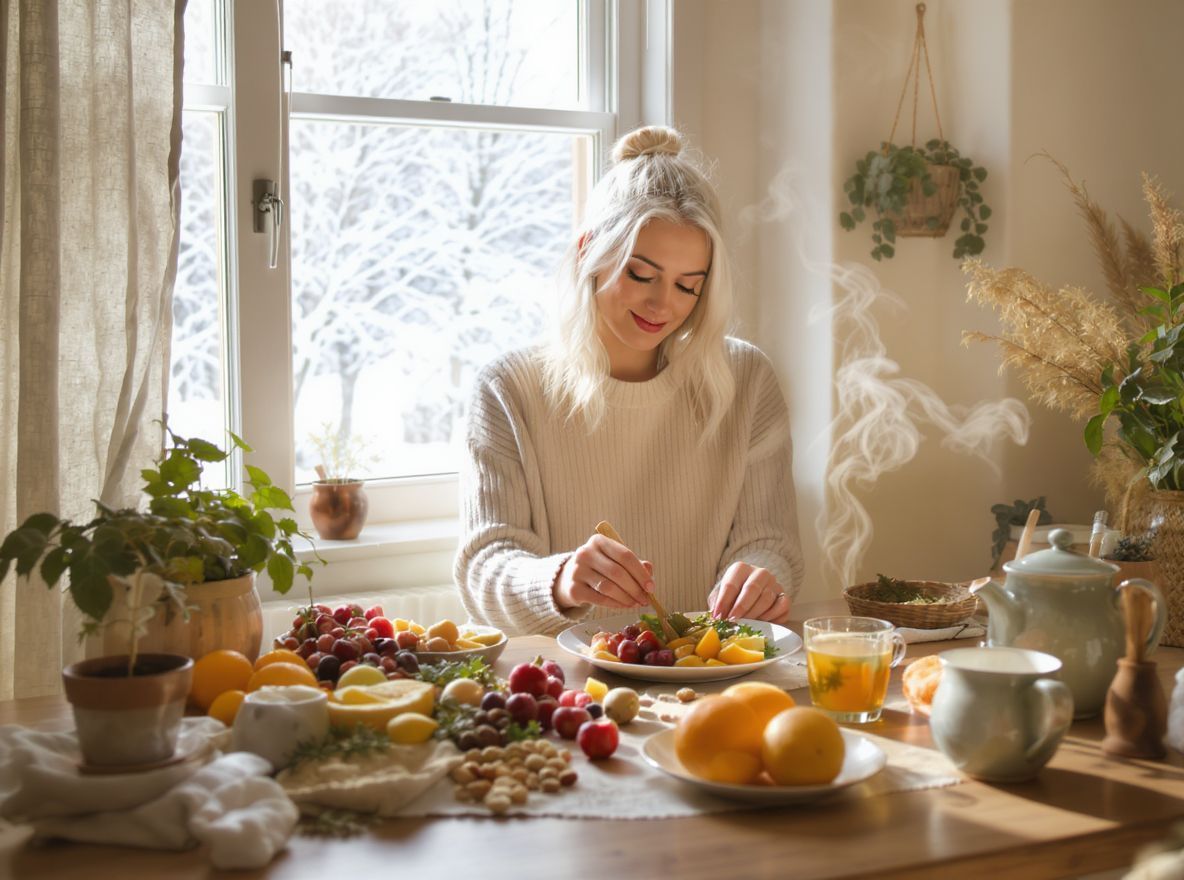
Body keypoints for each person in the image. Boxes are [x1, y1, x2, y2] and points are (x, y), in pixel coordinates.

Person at [454, 125, 804, 636]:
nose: (663, 305)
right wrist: (561, 580)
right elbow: (484, 568)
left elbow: (771, 543)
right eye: (642, 275)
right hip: (565, 690)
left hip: (705, 676)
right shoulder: (508, 388)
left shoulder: (746, 380)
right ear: (586, 253)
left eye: (688, 286)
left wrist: (763, 578)